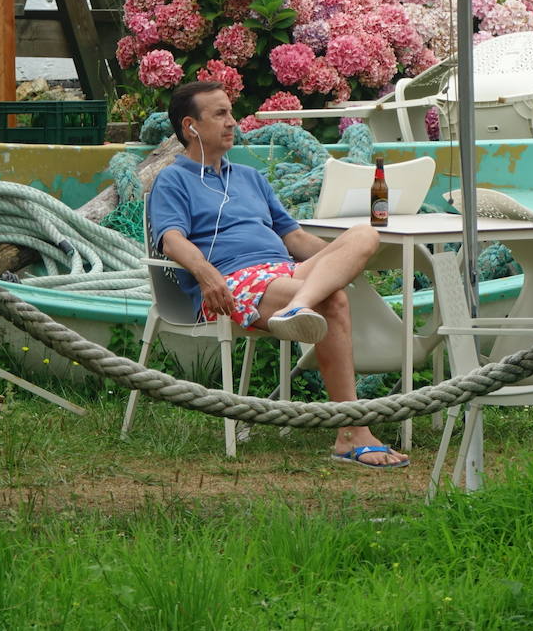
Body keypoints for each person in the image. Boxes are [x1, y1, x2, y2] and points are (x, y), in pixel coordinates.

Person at [148, 81, 409, 469]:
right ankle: (352, 433)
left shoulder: (251, 178)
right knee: (332, 299)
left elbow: (297, 237)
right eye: (219, 114)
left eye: (231, 112)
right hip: (229, 281)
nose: (232, 122)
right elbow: (171, 241)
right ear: (191, 127)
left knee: (365, 234)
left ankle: (299, 306)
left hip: (285, 273)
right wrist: (206, 274)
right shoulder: (173, 179)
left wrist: (339, 263)